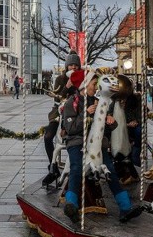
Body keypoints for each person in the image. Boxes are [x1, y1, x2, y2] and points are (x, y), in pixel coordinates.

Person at [60, 71, 142, 224]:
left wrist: (111, 122)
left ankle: (125, 207)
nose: (95, 86)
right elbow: (70, 128)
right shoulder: (73, 102)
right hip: (77, 142)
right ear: (85, 85)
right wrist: (86, 113)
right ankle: (71, 204)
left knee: (110, 170)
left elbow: (104, 127)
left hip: (98, 144)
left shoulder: (99, 101)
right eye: (93, 84)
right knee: (77, 167)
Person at [42, 52, 82, 187]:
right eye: (71, 65)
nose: (73, 67)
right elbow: (57, 97)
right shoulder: (60, 79)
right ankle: (52, 166)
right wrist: (67, 86)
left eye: (76, 65)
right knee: (48, 137)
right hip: (59, 110)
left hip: (76, 112)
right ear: (66, 66)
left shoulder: (82, 78)